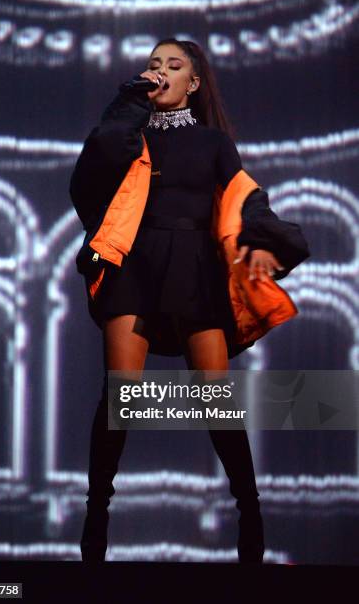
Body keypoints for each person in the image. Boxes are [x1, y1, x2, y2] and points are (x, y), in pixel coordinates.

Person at [69, 38, 310, 564]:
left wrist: (262, 245)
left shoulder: (213, 143)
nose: (160, 72)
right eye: (153, 64)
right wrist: (130, 100)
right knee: (121, 397)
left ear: (193, 84)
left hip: (195, 267)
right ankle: (95, 522)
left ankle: (250, 511)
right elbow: (95, 161)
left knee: (214, 397)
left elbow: (245, 200)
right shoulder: (129, 135)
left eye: (173, 66)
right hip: (135, 261)